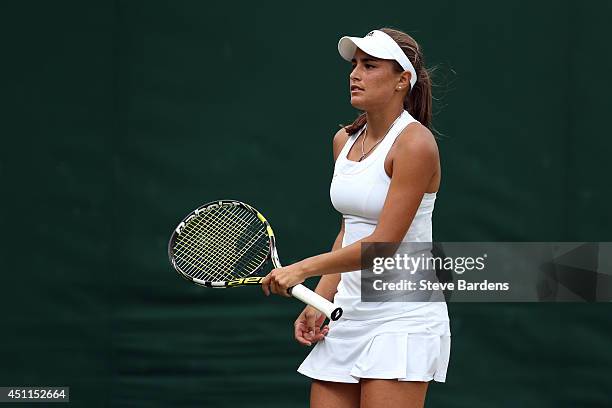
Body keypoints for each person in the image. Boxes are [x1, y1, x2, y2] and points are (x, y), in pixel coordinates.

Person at [261, 28, 451, 408]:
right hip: (349, 313)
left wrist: (302, 270)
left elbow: (382, 245)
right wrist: (321, 299)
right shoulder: (343, 141)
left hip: (403, 317)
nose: (355, 74)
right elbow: (350, 230)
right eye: (354, 65)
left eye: (370, 65)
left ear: (402, 81)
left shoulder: (415, 144)